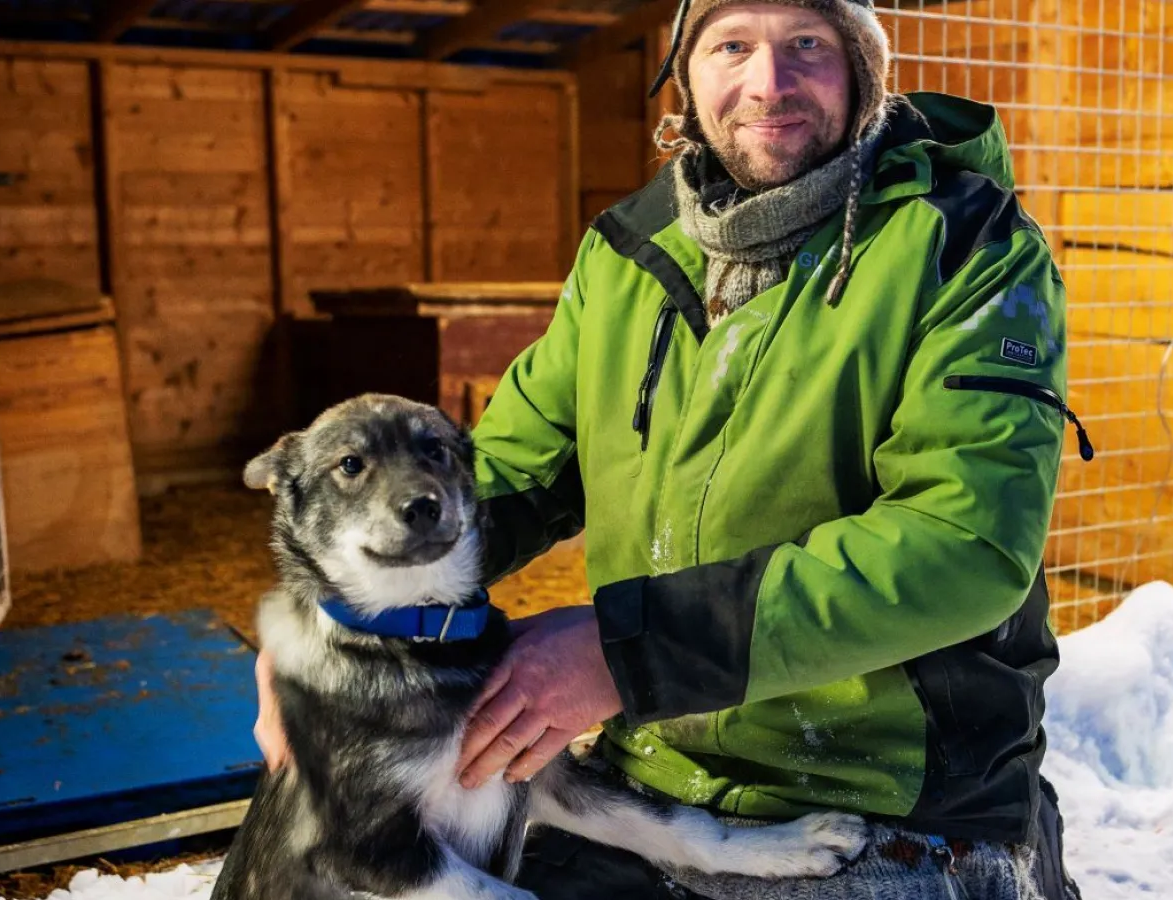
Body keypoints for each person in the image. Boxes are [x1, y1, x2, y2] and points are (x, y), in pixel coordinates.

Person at [256, 0, 1087, 894]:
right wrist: (334, 620)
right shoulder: (627, 253)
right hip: (654, 769)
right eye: (731, 45)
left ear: (863, 67)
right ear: (684, 77)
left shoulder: (966, 246)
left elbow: (960, 547)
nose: (768, 83)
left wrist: (627, 653)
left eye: (806, 44)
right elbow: (492, 479)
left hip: (888, 790)